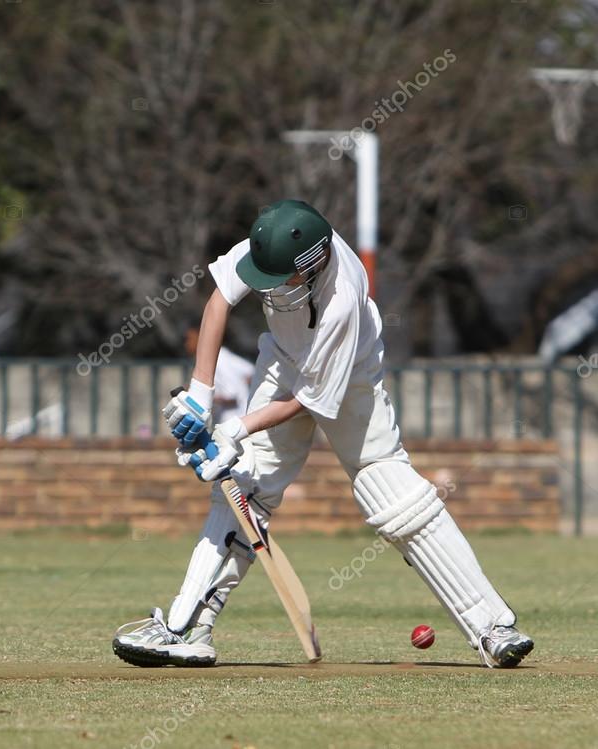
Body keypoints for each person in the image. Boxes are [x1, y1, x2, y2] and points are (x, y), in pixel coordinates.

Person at [112, 199, 533, 668]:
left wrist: (235, 429)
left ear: (311, 266)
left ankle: (492, 626)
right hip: (282, 361)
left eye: (279, 281)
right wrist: (200, 394)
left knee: (391, 494)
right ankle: (185, 629)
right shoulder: (270, 243)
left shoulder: (343, 300)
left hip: (349, 374)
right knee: (245, 484)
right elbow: (217, 303)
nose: (269, 290)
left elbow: (307, 401)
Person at [183, 322, 256, 423]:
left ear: (201, 338)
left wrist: (198, 394)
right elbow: (250, 371)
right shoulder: (220, 356)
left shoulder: (218, 359)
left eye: (189, 339)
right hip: (230, 422)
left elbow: (233, 396)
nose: (186, 344)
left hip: (235, 422)